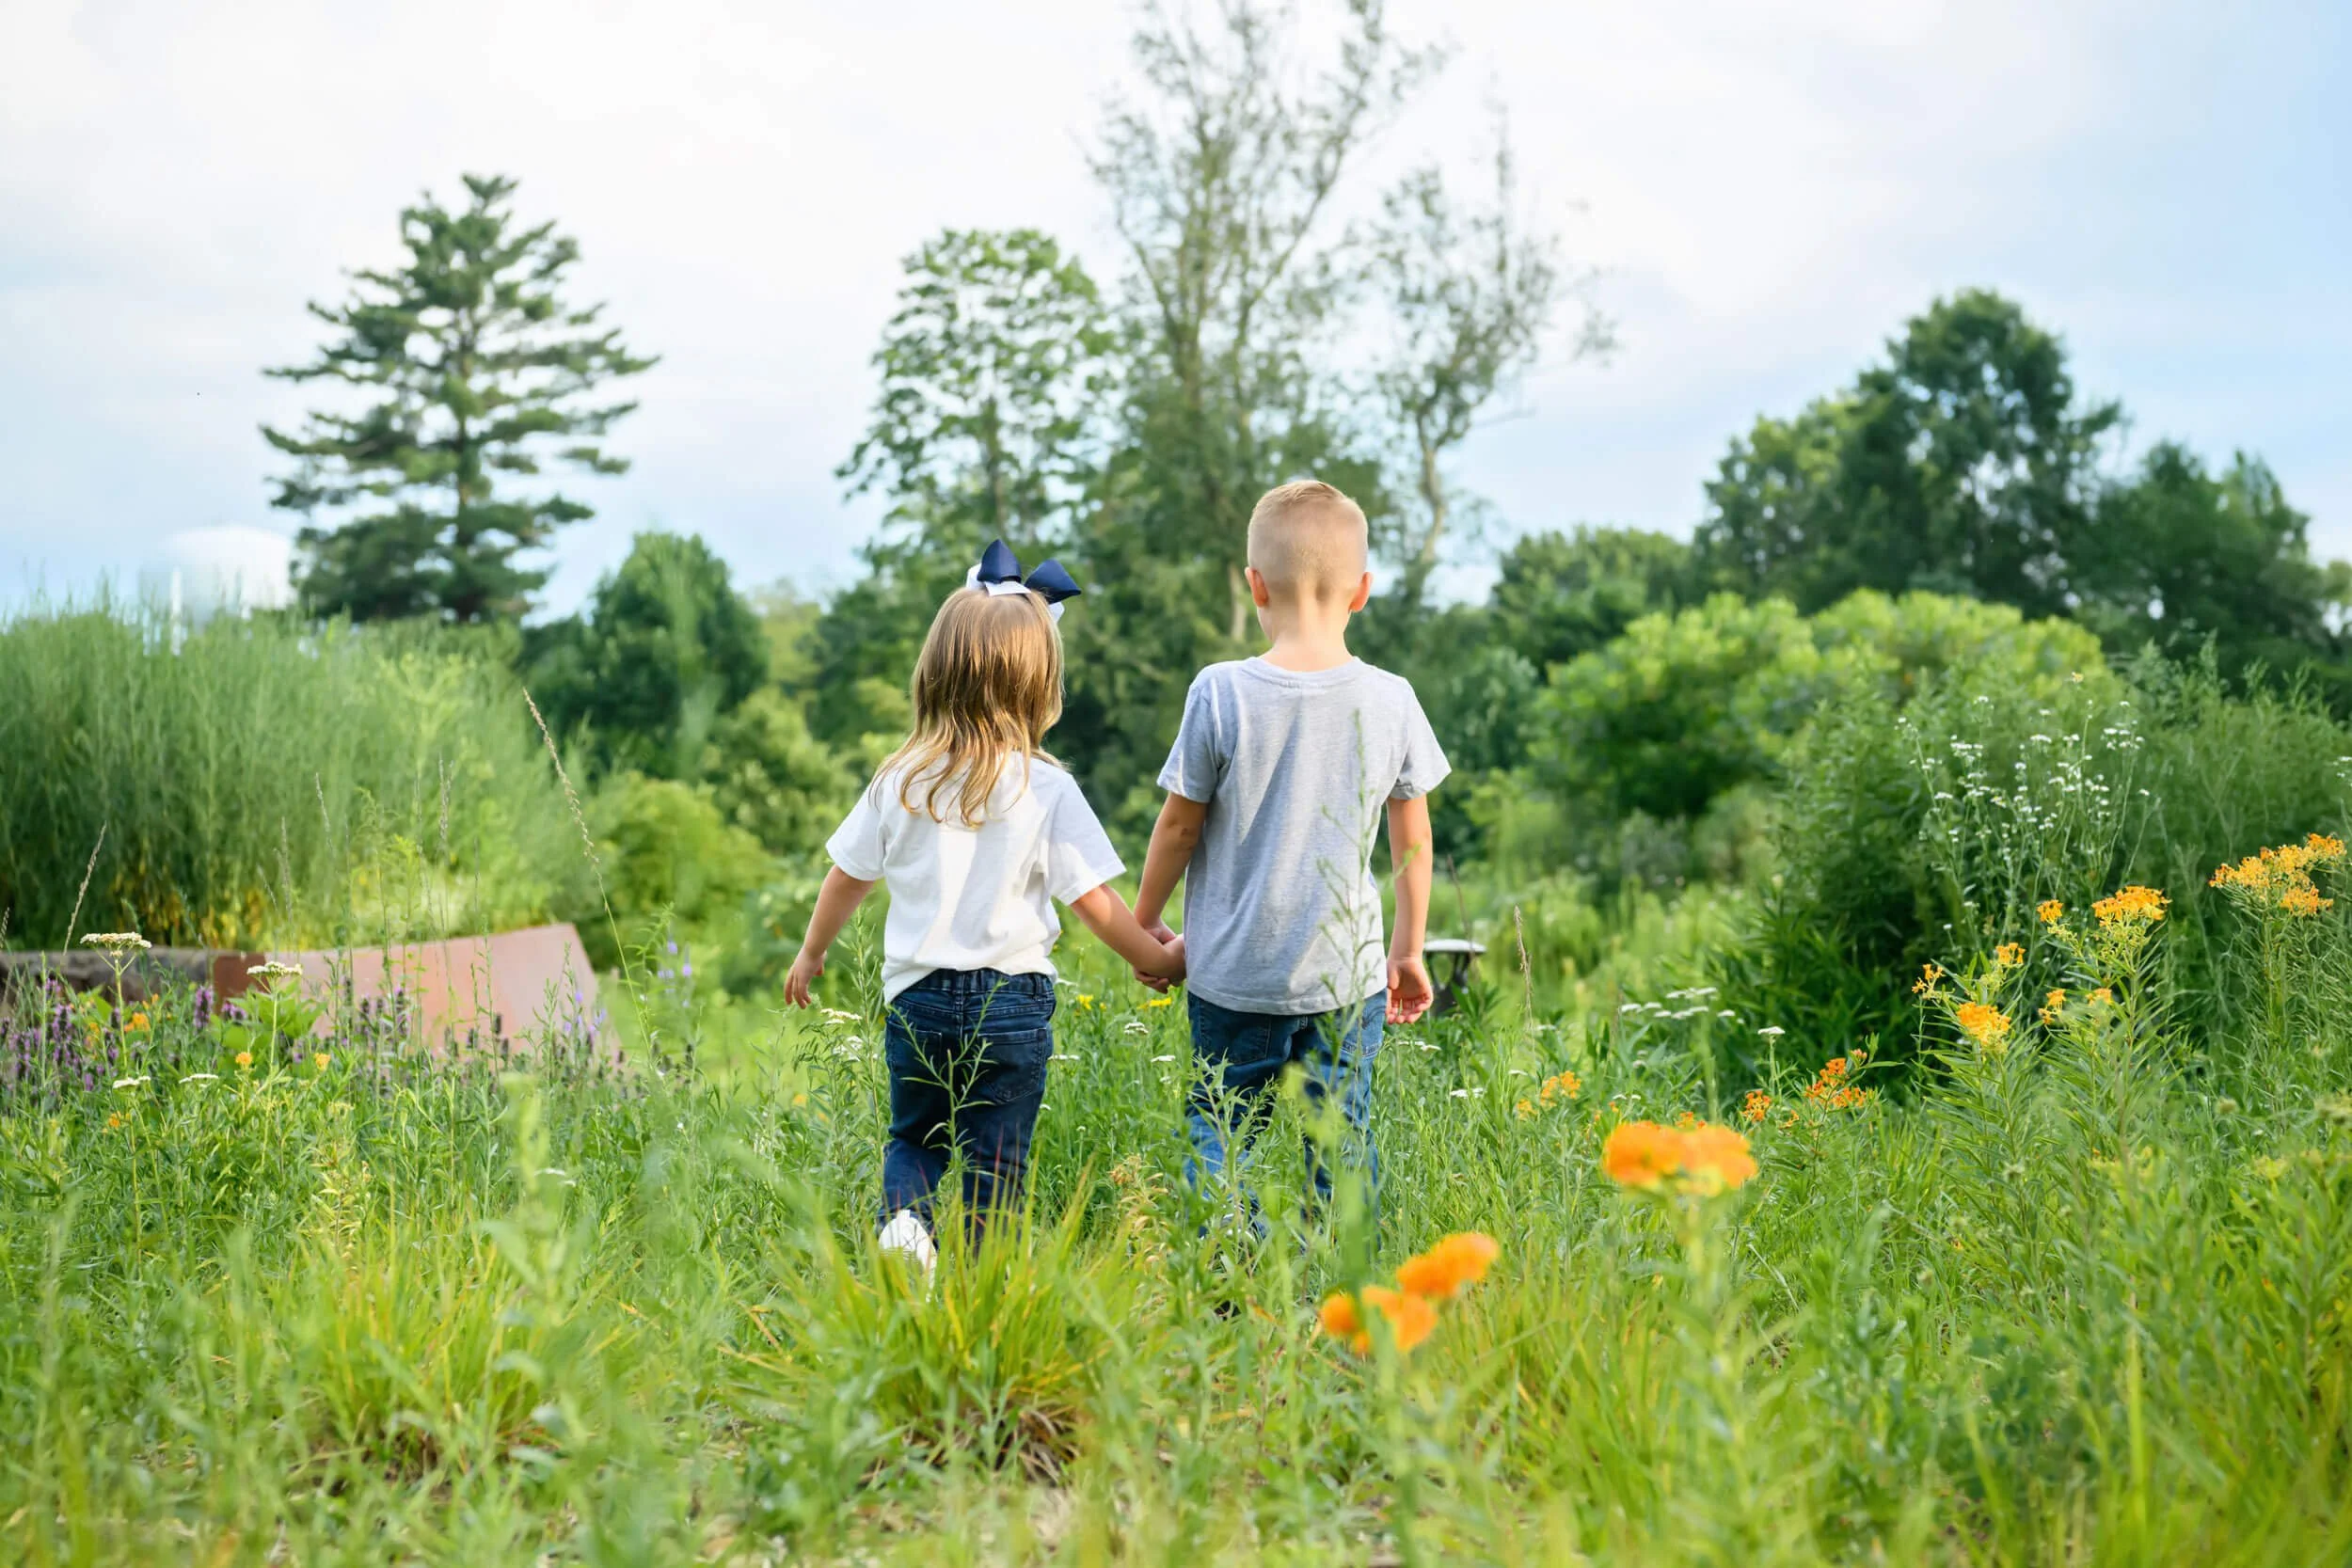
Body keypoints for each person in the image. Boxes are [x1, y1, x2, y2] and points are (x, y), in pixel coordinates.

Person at [786, 542, 1184, 1271]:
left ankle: (906, 1231)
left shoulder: (899, 780)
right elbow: (1093, 902)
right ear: (1039, 686)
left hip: (918, 999)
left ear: (935, 673)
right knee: (996, 1166)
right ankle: (982, 1294)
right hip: (1012, 1002)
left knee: (915, 1140)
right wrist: (1157, 957)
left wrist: (812, 952)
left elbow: (846, 876)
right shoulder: (1045, 787)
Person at [1131, 480, 1448, 1225]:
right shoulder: (1392, 697)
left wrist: (1145, 922)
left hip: (1233, 972)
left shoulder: (1220, 691)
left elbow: (1178, 827)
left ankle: (1230, 1262)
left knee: (1220, 1130)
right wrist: (1408, 951)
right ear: (1362, 591)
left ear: (1254, 583)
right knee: (1341, 1139)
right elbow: (1415, 840)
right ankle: (1337, 1280)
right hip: (1347, 973)